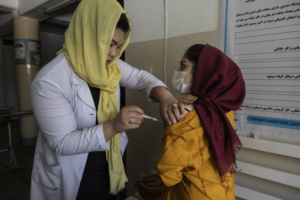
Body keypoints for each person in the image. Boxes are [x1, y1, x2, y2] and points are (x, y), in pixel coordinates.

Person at [30, 0, 184, 199]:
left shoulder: (109, 65)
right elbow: (62, 142)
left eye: (118, 46)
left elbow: (140, 78)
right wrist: (113, 127)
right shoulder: (49, 81)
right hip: (74, 173)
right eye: (109, 44)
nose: (113, 54)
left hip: (109, 164)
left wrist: (166, 96)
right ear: (86, 35)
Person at [156, 44, 246, 200]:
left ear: (201, 72)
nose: (178, 70)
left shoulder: (186, 116)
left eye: (183, 65)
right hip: (222, 194)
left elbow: (169, 176)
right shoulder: (225, 111)